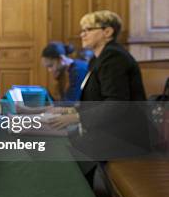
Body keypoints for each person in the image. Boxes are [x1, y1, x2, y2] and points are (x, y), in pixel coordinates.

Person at [49, 10, 149, 158]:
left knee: (58, 152)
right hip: (107, 132)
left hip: (123, 138)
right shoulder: (99, 58)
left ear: (107, 32)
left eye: (88, 30)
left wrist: (76, 117)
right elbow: (95, 101)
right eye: (82, 30)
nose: (82, 34)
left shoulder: (114, 57)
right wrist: (69, 112)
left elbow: (116, 104)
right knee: (53, 143)